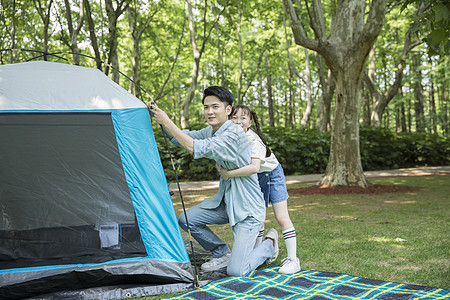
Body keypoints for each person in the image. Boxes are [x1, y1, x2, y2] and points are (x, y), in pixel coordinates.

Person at [147, 86, 279, 276]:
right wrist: (159, 117)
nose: (209, 111)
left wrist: (167, 121)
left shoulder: (233, 134)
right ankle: (221, 252)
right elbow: (180, 138)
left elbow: (193, 147)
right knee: (186, 219)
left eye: (215, 106)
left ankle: (269, 244)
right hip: (226, 203)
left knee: (237, 271)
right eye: (206, 107)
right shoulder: (212, 130)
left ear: (228, 110)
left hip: (247, 210)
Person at [216, 104, 301, 274]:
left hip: (271, 174)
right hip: (255, 177)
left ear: (250, 122)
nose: (238, 121)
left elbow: (254, 167)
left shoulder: (252, 140)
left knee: (282, 216)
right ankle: (256, 252)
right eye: (234, 117)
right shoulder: (231, 136)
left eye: (243, 118)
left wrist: (228, 173)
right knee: (256, 216)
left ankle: (293, 260)